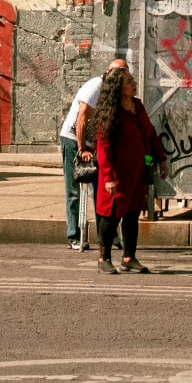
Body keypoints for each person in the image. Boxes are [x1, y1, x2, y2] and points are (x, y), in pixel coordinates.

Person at [89, 63, 165, 275]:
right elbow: (104, 148)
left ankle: (129, 257)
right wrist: (108, 177)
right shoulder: (110, 112)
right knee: (111, 216)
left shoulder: (137, 106)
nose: (133, 83)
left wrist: (161, 159)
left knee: (132, 215)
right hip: (116, 175)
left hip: (137, 173)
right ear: (118, 88)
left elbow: (150, 133)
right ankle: (103, 258)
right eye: (129, 81)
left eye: (132, 80)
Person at [59, 56, 126, 251]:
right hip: (74, 139)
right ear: (108, 72)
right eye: (118, 73)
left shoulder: (115, 92)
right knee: (74, 189)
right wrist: (82, 149)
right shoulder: (95, 86)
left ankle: (106, 235)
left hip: (94, 143)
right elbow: (82, 117)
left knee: (101, 190)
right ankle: (74, 235)